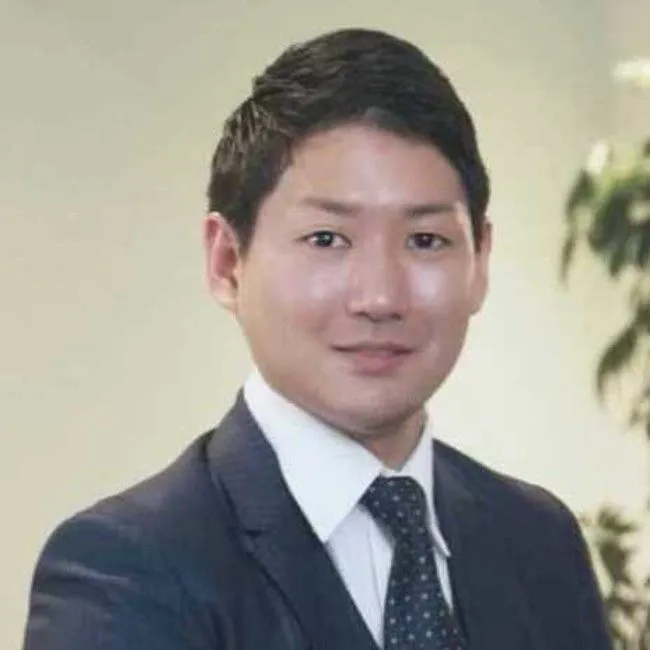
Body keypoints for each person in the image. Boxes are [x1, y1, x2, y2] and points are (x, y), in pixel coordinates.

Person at [23, 28, 612, 650]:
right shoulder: (124, 571)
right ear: (227, 262)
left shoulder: (540, 541)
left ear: (480, 262)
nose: (380, 297)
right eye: (327, 239)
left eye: (425, 240)